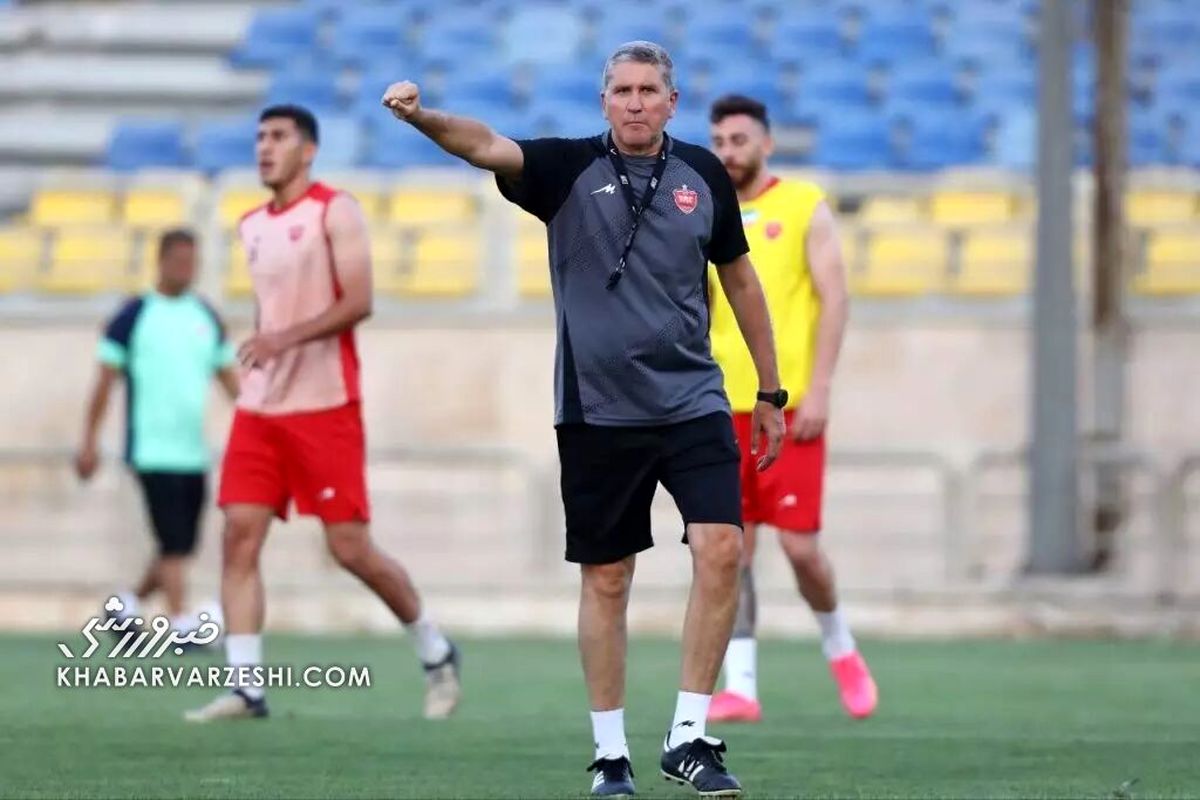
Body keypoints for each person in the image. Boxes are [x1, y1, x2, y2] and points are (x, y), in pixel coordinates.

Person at [384, 41, 785, 798]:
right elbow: (483, 145)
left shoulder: (703, 175)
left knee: (723, 548)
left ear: (672, 102)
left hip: (693, 400)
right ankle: (610, 754)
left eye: (649, 90)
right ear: (604, 101)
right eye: (622, 90)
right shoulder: (566, 168)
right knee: (607, 578)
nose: (635, 102)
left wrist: (771, 391)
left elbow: (740, 279)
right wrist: (421, 117)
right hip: (598, 410)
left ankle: (689, 735)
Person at [184, 105, 461, 722]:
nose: (265, 147)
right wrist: (267, 349)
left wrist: (284, 339)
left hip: (325, 405)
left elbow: (359, 301)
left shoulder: (336, 210)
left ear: (307, 150)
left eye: (278, 137)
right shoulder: (251, 224)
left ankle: (436, 650)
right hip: (261, 408)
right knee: (238, 534)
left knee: (349, 548)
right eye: (260, 137)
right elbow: (273, 311)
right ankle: (247, 687)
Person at [706, 95, 877, 724]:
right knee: (731, 549)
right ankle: (741, 686)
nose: (729, 152)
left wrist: (821, 387)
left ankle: (841, 647)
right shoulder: (706, 211)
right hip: (720, 407)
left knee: (801, 549)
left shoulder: (804, 205)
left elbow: (835, 298)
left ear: (767, 144)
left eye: (739, 140)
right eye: (719, 141)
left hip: (787, 405)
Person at [76, 229, 238, 637]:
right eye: (179, 261)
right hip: (151, 449)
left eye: (192, 263)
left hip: (192, 450)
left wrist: (260, 423)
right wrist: (89, 440)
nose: (186, 269)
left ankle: (127, 604)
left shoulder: (205, 316)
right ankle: (181, 622)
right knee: (173, 541)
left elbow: (229, 379)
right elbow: (104, 382)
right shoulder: (133, 316)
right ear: (161, 261)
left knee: (181, 544)